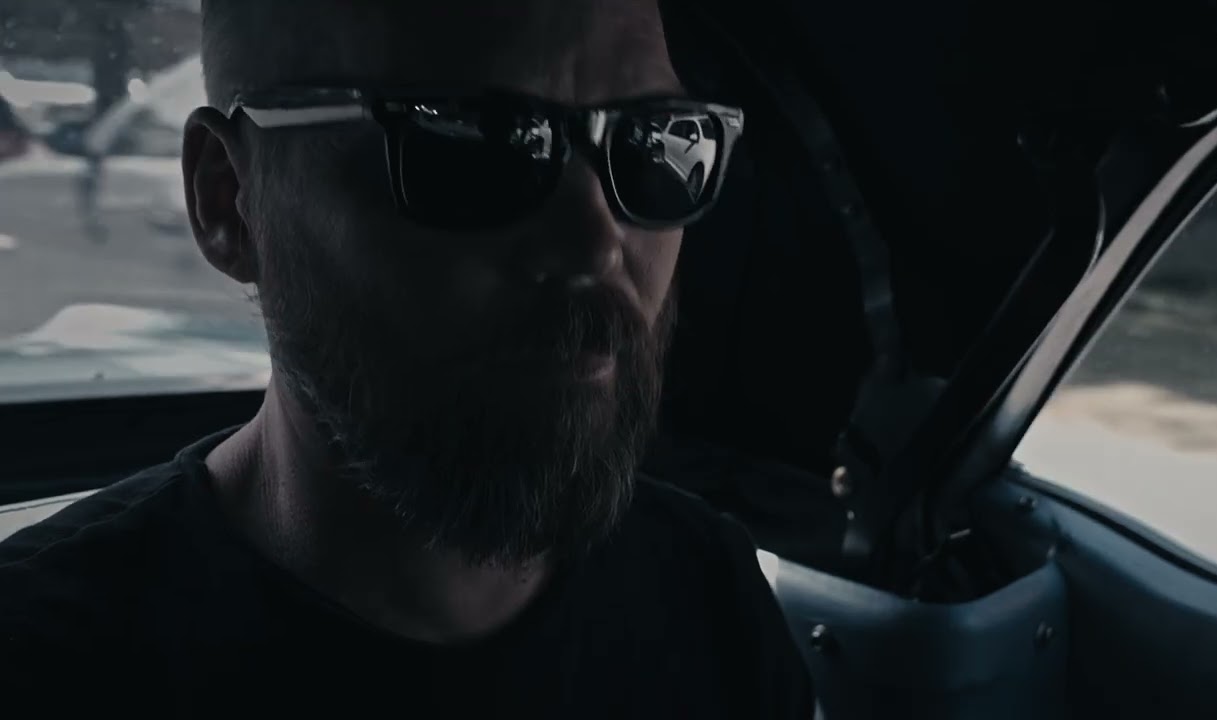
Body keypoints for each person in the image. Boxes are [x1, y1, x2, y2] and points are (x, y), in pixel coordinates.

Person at [0, 0, 814, 717]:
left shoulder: (711, 599)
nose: (596, 243)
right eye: (473, 141)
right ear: (229, 201)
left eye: (653, 141)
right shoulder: (40, 663)